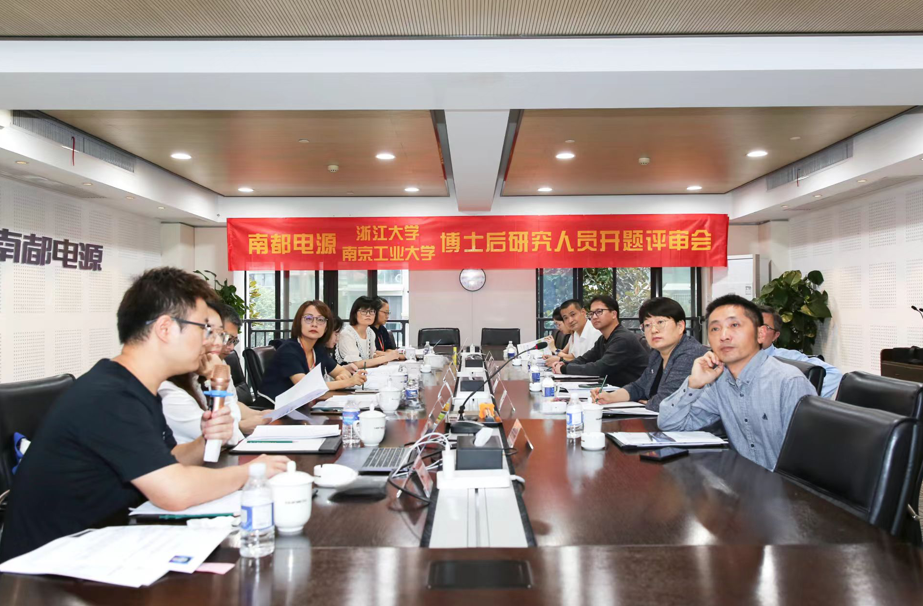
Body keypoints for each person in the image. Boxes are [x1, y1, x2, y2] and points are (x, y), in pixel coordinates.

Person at [0, 267, 289, 563]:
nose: (210, 342)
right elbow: (174, 491)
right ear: (165, 328)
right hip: (49, 565)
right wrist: (252, 472)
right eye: (204, 328)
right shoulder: (110, 395)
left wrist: (205, 440)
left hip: (103, 542)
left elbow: (170, 459)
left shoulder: (135, 387)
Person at [658, 294, 816, 471]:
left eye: (734, 325)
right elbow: (670, 423)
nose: (724, 336)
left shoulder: (789, 382)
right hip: (742, 480)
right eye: (715, 329)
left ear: (760, 334)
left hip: (783, 485)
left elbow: (810, 460)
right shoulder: (719, 381)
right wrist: (693, 384)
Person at [159, 301, 268, 445]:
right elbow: (227, 438)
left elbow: (230, 417)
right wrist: (216, 380)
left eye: (221, 336)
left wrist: (259, 415)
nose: (217, 343)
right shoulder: (170, 392)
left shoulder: (208, 369)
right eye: (209, 333)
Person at [591, 297, 708, 412]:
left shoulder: (691, 354)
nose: (653, 330)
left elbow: (665, 403)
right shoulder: (657, 354)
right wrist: (610, 397)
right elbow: (639, 386)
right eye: (647, 325)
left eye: (660, 322)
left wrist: (650, 403)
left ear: (680, 326)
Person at [259, 300, 368, 401]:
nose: (314, 324)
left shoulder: (317, 349)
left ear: (326, 327)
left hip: (303, 406)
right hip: (273, 409)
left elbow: (341, 371)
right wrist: (347, 382)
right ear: (299, 323)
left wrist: (342, 376)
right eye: (308, 318)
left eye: (320, 320)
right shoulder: (289, 350)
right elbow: (306, 387)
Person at [550, 295, 648, 386]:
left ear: (614, 314)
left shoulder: (622, 339)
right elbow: (585, 359)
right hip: (614, 390)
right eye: (592, 313)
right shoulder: (603, 339)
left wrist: (564, 368)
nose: (594, 317)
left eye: (599, 312)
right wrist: (564, 364)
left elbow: (599, 369)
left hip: (633, 394)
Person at [758, 305, 843, 398]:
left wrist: (801, 402)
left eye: (764, 327)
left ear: (775, 336)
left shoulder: (787, 358)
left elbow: (833, 374)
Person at [336, 296, 400, 368]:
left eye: (371, 311)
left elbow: (371, 356)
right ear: (355, 313)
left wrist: (380, 356)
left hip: (366, 372)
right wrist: (386, 358)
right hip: (348, 374)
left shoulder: (370, 332)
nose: (368, 315)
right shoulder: (347, 334)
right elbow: (356, 364)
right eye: (364, 311)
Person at [545, 299, 602, 364]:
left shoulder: (595, 332)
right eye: (566, 318)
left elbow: (588, 364)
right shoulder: (576, 333)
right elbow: (574, 357)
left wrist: (560, 360)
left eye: (573, 314)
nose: (570, 321)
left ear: (583, 312)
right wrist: (557, 359)